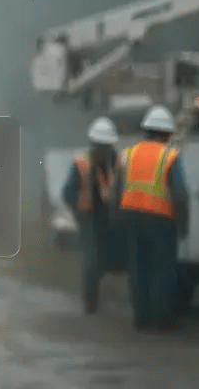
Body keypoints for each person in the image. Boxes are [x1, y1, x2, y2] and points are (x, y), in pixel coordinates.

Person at [114, 104, 189, 332]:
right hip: (160, 220)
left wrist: (116, 219)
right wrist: (183, 222)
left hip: (131, 218)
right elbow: (179, 192)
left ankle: (141, 319)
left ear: (146, 129)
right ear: (166, 133)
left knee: (138, 269)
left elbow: (116, 190)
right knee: (162, 270)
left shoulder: (127, 154)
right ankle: (163, 320)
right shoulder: (170, 155)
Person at [62, 116, 121, 314]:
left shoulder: (119, 162)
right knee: (91, 261)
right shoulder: (82, 163)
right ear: (93, 144)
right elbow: (68, 192)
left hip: (114, 219)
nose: (103, 149)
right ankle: (91, 303)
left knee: (110, 260)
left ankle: (111, 298)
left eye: (106, 145)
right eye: (100, 145)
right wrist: (78, 213)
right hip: (90, 219)